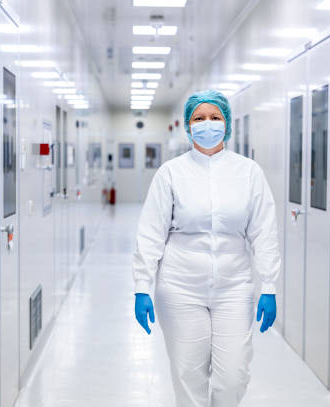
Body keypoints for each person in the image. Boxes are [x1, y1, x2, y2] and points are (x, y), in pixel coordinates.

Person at [132, 89, 281, 407]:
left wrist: (268, 285)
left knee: (233, 378)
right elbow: (150, 234)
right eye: (199, 118)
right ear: (188, 126)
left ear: (227, 123)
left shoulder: (249, 172)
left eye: (215, 117)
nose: (208, 124)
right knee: (188, 377)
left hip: (233, 287)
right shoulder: (171, 173)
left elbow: (264, 232)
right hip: (179, 287)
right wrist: (141, 287)